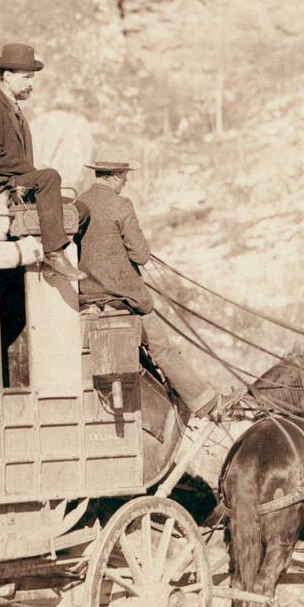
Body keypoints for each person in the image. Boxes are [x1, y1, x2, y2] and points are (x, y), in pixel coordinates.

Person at [75, 155, 222, 418]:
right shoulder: (121, 204)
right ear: (116, 177)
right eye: (125, 177)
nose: (126, 182)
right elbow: (141, 255)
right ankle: (202, 402)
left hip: (87, 295)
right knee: (161, 346)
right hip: (122, 296)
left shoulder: (79, 203)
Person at [0, 43, 83, 281]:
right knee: (50, 176)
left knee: (81, 209)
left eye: (33, 78)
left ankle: (82, 280)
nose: (32, 83)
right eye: (27, 77)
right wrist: (33, 173)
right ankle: (53, 253)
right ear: (7, 77)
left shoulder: (13, 110)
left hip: (13, 180)